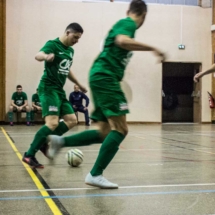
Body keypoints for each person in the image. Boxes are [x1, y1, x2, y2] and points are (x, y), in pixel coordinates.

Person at [48, 0, 165, 189]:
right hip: (106, 78)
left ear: (129, 9)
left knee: (104, 132)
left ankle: (60, 141)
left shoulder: (123, 24)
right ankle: (95, 174)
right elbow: (122, 41)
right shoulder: (128, 24)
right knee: (121, 129)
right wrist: (153, 48)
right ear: (143, 15)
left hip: (100, 77)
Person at [22, 23, 87, 168]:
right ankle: (29, 154)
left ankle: (44, 142)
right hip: (48, 88)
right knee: (52, 123)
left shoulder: (70, 51)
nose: (76, 41)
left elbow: (67, 69)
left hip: (59, 90)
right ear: (67, 32)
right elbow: (37, 55)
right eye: (75, 37)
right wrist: (46, 56)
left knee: (72, 120)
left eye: (79, 38)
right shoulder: (53, 44)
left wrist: (79, 83)